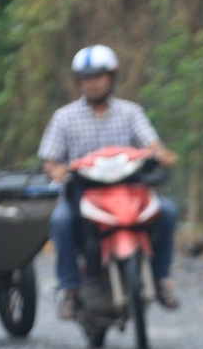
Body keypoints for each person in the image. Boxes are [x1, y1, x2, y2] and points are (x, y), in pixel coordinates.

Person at [38, 44, 181, 319]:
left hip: (128, 192)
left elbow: (152, 144)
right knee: (61, 221)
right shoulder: (64, 117)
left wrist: (162, 155)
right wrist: (56, 170)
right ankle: (70, 290)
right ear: (79, 82)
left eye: (98, 76)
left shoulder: (130, 112)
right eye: (86, 78)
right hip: (81, 193)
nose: (92, 83)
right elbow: (50, 161)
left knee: (167, 212)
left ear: (111, 77)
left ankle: (161, 279)